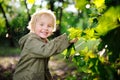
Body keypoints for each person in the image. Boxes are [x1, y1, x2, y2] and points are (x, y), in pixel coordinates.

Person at [13, 9, 77, 80]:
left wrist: (69, 41)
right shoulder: (31, 40)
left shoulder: (44, 41)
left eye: (49, 26)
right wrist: (65, 40)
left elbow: (44, 66)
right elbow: (46, 51)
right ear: (33, 25)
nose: (45, 28)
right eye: (41, 24)